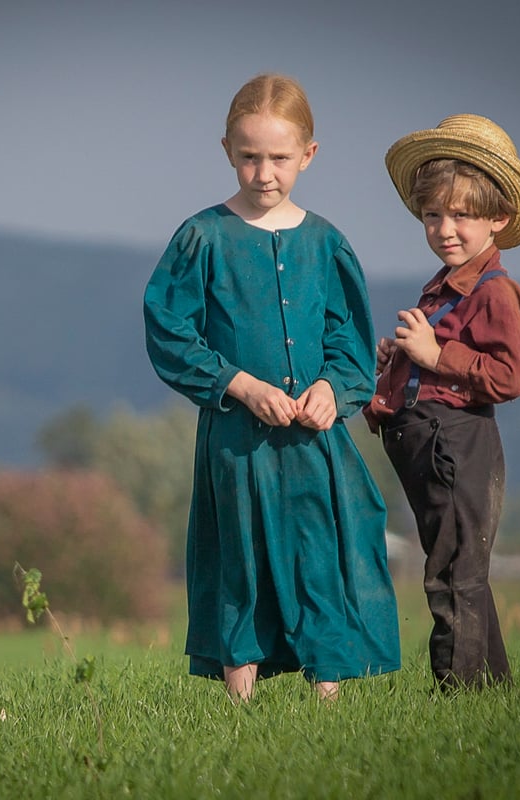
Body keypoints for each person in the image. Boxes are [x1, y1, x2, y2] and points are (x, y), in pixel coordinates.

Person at [143, 74, 400, 701]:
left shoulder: (327, 242)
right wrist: (236, 382)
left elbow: (349, 340)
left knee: (321, 556)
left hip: (315, 443)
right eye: (250, 156)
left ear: (308, 155)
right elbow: (169, 329)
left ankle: (329, 697)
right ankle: (239, 699)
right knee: (241, 556)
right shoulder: (201, 237)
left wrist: (331, 391)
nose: (264, 172)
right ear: (227, 150)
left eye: (280, 158)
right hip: (237, 439)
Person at [364, 114, 520, 689]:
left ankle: (459, 696)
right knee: (463, 568)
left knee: (453, 574)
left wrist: (436, 356)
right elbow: (439, 364)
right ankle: (492, 691)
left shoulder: (495, 292)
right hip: (428, 441)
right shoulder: (443, 285)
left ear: (498, 219)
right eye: (433, 214)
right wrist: (403, 361)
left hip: (455, 443)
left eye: (462, 215)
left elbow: (509, 377)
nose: (446, 228)